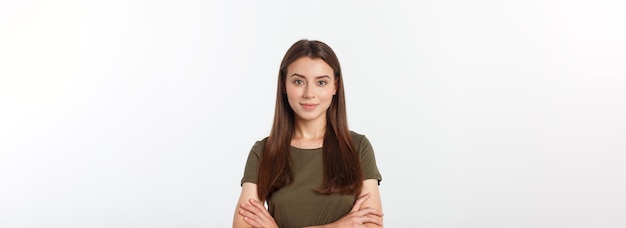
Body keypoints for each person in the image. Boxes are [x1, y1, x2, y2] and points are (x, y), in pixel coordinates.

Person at [232, 39, 383, 228]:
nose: (309, 93)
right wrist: (338, 226)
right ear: (284, 85)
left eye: (321, 82)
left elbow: (371, 225)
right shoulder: (264, 152)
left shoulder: (358, 147)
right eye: (298, 81)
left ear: (335, 86)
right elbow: (242, 225)